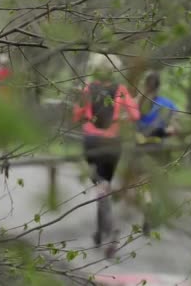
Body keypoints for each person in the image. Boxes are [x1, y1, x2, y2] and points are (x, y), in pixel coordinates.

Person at [73, 52, 140, 257]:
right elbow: (135, 115)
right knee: (104, 187)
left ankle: (110, 230)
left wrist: (82, 103)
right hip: (113, 143)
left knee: (101, 187)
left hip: (92, 143)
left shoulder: (88, 89)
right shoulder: (120, 91)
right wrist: (119, 118)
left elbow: (76, 116)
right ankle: (100, 232)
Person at [128, 70, 178, 235]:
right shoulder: (168, 104)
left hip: (141, 147)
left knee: (143, 183)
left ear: (145, 85)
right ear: (159, 85)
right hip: (159, 148)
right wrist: (164, 131)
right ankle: (153, 206)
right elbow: (174, 128)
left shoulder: (138, 103)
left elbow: (127, 118)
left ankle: (147, 203)